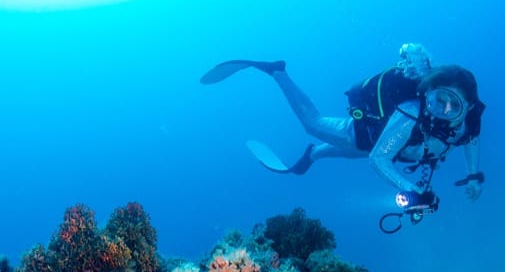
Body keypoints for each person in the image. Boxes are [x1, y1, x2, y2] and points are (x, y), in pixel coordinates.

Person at [200, 44, 486, 217]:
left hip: (384, 148)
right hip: (366, 136)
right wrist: (412, 190)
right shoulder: (411, 112)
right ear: (429, 94)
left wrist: (473, 175)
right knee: (313, 124)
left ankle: (311, 156)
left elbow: (471, 139)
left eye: (453, 105)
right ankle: (277, 71)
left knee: (351, 154)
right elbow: (379, 159)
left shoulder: (468, 123)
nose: (442, 111)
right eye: (438, 101)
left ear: (468, 107)